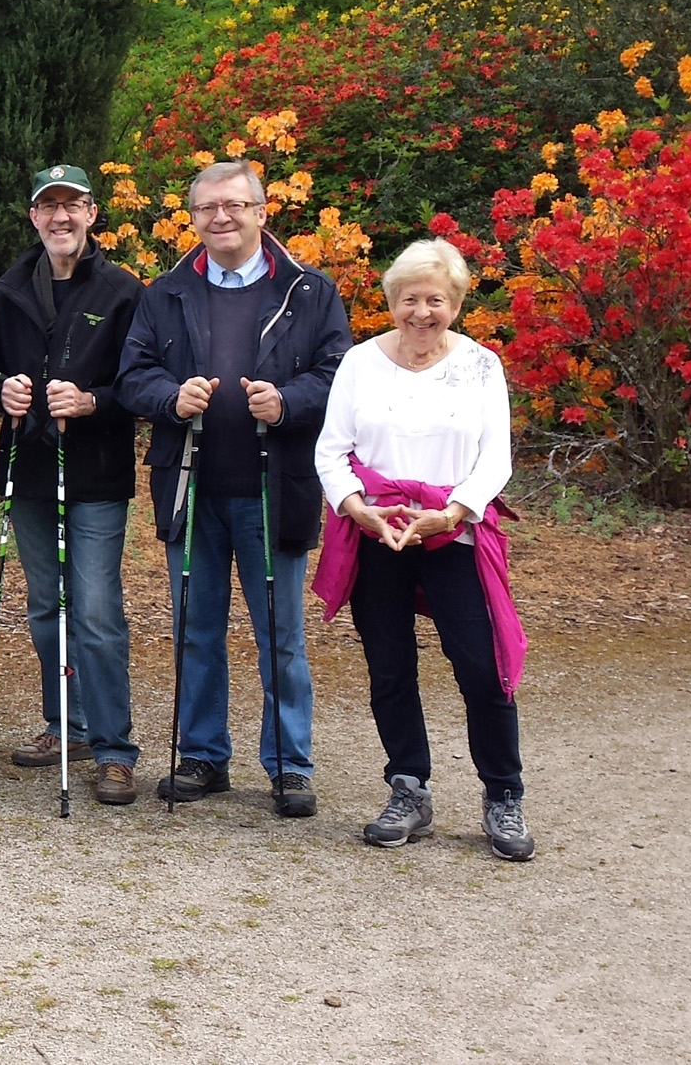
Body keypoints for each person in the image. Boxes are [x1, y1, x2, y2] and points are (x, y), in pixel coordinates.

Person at [119, 159, 351, 817]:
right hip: (190, 488)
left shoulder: (310, 290)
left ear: (261, 210)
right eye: (207, 209)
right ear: (192, 218)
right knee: (196, 630)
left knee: (280, 634)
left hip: (274, 487)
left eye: (235, 206)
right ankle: (203, 756)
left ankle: (288, 765)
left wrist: (290, 401)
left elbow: (340, 374)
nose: (221, 218)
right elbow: (133, 375)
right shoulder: (164, 291)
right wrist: (170, 396)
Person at [313, 239, 532, 860]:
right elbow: (331, 450)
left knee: (482, 671)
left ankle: (503, 795)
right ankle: (408, 787)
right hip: (378, 535)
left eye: (436, 299)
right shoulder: (359, 362)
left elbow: (496, 458)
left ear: (456, 304)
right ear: (392, 302)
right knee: (390, 668)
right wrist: (357, 508)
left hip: (453, 535)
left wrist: (454, 513)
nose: (421, 312)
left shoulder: (481, 366)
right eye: (409, 299)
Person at [0, 165, 148, 805]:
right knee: (45, 605)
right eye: (48, 207)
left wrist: (92, 402)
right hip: (28, 470)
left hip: (96, 472)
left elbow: (139, 384)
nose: (60, 217)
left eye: (72, 206)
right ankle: (67, 724)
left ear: (91, 213)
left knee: (98, 611)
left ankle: (114, 747)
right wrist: (3, 390)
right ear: (34, 217)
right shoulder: (10, 290)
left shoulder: (123, 291)